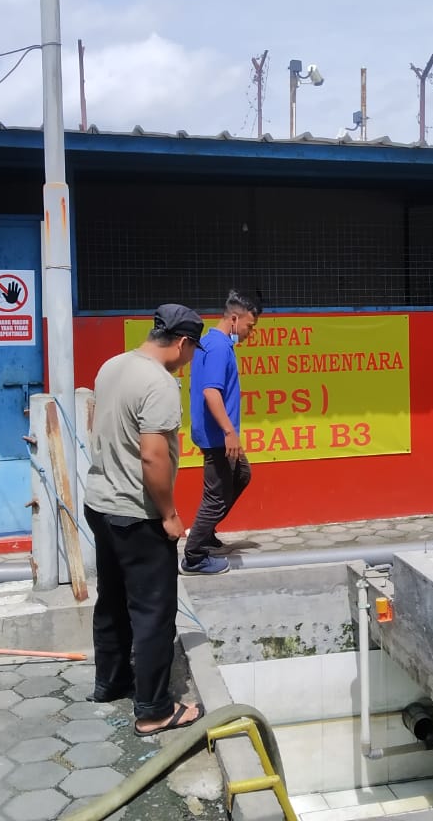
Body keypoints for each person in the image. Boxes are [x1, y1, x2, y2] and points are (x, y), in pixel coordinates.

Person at [83, 302, 206, 736]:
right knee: (154, 610)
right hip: (137, 514)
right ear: (183, 342)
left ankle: (110, 682)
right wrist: (169, 514)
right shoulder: (159, 383)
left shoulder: (112, 366)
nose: (189, 360)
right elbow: (153, 456)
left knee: (113, 599)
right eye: (191, 351)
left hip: (100, 505)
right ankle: (153, 710)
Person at [180, 288, 263, 575]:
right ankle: (194, 556)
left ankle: (205, 534)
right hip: (217, 436)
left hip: (214, 433)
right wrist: (229, 432)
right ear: (234, 319)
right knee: (215, 497)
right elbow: (211, 392)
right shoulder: (218, 348)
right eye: (250, 326)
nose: (250, 333)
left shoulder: (210, 342)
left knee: (241, 475)